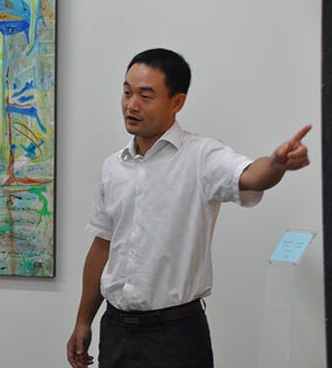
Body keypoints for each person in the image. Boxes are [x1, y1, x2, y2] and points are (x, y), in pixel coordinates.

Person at [66, 48, 311, 368]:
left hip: (175, 335)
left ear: (177, 102)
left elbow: (251, 175)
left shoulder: (201, 156)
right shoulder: (114, 166)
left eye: (145, 96)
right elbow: (102, 246)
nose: (131, 105)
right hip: (116, 330)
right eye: (126, 92)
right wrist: (83, 320)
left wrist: (277, 163)